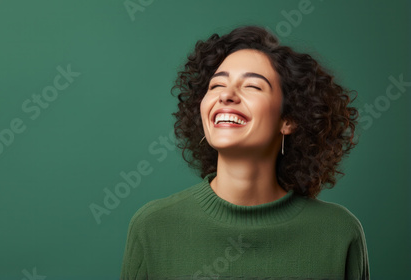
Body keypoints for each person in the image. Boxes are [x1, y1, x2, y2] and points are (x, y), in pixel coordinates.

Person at [120, 25, 370, 280]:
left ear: (289, 119)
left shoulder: (339, 233)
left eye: (252, 86)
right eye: (217, 85)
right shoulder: (153, 227)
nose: (227, 95)